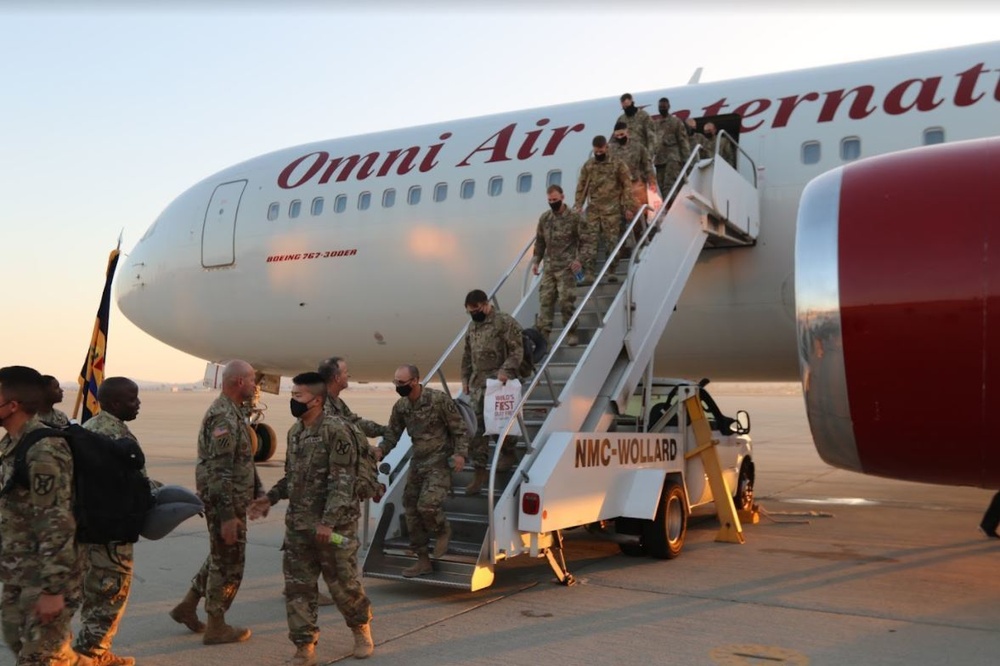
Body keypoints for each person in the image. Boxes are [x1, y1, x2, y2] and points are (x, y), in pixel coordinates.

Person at [249, 372, 374, 663]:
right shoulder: (296, 432)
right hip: (299, 526)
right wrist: (271, 497)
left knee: (344, 585)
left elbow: (343, 482)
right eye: (292, 395)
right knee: (298, 588)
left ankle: (360, 629)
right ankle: (304, 646)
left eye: (298, 396)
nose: (293, 401)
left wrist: (328, 522)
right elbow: (292, 477)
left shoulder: (336, 431)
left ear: (317, 400)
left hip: (334, 529)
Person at [0, 366, 89, 665]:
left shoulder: (44, 450)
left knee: (38, 658)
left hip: (45, 576)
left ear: (12, 405)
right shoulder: (12, 444)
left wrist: (53, 589)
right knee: (19, 641)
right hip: (18, 573)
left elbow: (57, 520)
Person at [169, 359, 262, 645]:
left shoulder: (234, 412)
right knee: (230, 564)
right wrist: (226, 516)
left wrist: (258, 491)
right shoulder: (223, 417)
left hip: (232, 498)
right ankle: (217, 625)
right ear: (238, 383)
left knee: (220, 556)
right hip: (225, 501)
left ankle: (188, 605)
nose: (255, 386)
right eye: (252, 380)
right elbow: (220, 471)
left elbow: (242, 460)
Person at [73, 378, 147, 666]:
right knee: (109, 597)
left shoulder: (94, 430)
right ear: (115, 404)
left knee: (97, 596)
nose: (138, 403)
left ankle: (96, 653)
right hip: (109, 536)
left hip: (95, 531)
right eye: (132, 399)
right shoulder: (108, 437)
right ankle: (91, 656)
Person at [376, 364, 469, 577]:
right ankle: (423, 560)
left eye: (402, 383)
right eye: (396, 382)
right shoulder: (401, 407)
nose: (398, 387)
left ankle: (442, 530)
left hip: (439, 461)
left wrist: (460, 454)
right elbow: (393, 434)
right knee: (410, 509)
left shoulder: (438, 400)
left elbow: (459, 429)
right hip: (418, 463)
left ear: (415, 381)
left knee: (427, 506)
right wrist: (380, 449)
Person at [461, 289, 524, 494]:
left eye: (477, 310)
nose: (474, 314)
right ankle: (479, 473)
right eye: (470, 311)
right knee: (476, 428)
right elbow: (467, 354)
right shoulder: (473, 326)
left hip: (499, 382)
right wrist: (465, 377)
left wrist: (506, 371)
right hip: (479, 383)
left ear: (486, 304)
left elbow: (517, 350)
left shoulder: (504, 322)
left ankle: (508, 451)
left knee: (498, 424)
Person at [531, 184, 586, 347]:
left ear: (562, 197)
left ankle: (572, 332)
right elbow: (540, 242)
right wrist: (536, 260)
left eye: (555, 199)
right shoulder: (545, 218)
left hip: (567, 268)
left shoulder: (574, 218)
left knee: (565, 301)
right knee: (545, 301)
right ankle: (544, 337)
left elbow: (586, 241)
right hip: (549, 268)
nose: (552, 202)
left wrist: (579, 260)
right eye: (549, 200)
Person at [573, 135, 632, 283]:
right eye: (596, 151)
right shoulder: (589, 166)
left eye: (601, 150)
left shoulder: (618, 164)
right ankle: (590, 274)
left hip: (612, 210)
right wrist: (578, 204)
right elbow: (581, 186)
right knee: (590, 242)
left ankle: (611, 271)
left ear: (606, 147)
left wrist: (628, 206)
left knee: (611, 241)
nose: (598, 153)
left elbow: (627, 186)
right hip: (593, 209)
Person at [317, 357, 387, 439]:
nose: (348, 375)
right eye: (346, 372)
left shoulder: (337, 402)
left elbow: (355, 422)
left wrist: (384, 430)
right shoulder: (320, 404)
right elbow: (337, 432)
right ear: (337, 378)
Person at [609, 121, 657, 221]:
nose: (619, 138)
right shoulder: (611, 151)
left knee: (644, 213)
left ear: (628, 133)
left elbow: (647, 165)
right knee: (627, 217)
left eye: (622, 134)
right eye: (617, 135)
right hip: (621, 189)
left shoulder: (638, 147)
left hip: (637, 186)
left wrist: (652, 181)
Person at [653, 98, 691, 199]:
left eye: (664, 106)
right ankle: (668, 206)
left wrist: (687, 161)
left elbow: (683, 141)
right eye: (660, 107)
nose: (662, 108)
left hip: (672, 159)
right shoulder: (655, 125)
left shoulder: (676, 122)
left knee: (669, 187)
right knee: (661, 187)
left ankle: (672, 207)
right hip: (659, 161)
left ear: (669, 107)